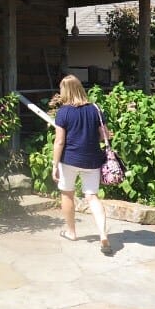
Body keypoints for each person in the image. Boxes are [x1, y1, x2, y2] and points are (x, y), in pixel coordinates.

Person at [51, 74, 112, 255]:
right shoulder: (95, 109)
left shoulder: (63, 112)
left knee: (67, 194)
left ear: (65, 91)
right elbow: (105, 135)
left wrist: (55, 164)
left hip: (69, 159)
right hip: (92, 159)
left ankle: (71, 232)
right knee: (92, 196)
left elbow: (59, 142)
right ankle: (102, 235)